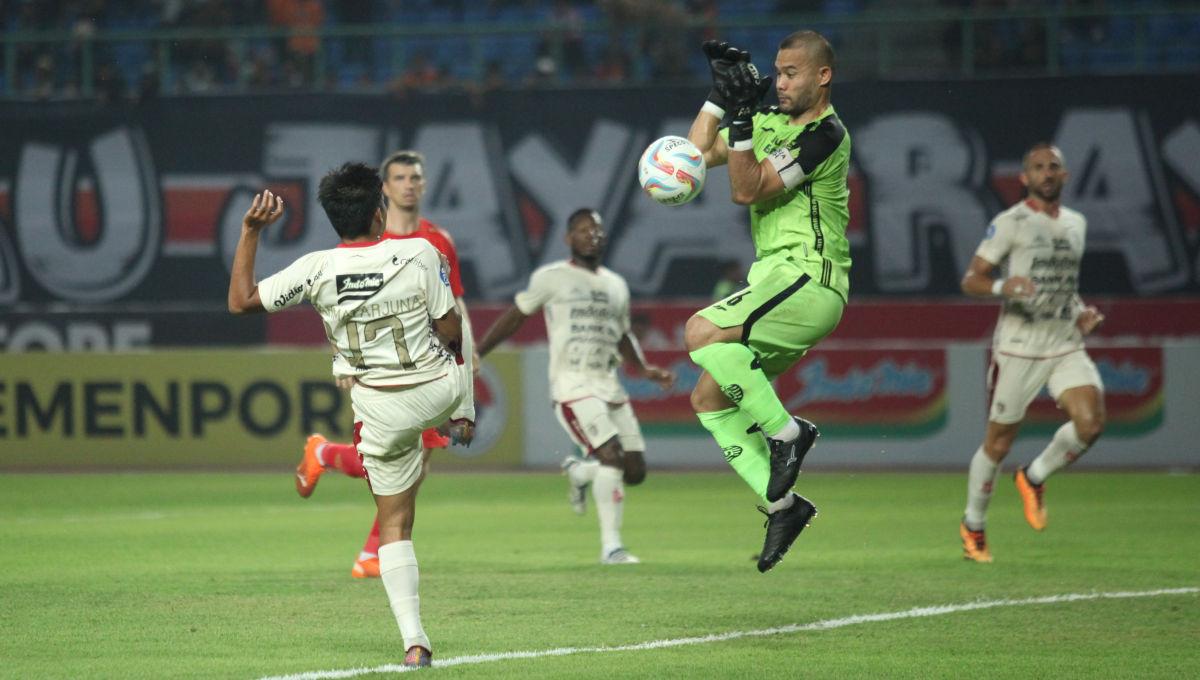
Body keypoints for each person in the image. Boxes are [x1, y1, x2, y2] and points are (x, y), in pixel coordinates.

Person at [228, 162, 473, 668]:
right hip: (437, 390)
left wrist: (251, 230)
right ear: (380, 212)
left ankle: (415, 643)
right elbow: (452, 329)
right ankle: (340, 442)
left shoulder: (315, 268)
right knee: (448, 338)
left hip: (380, 406)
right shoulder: (421, 251)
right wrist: (462, 406)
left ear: (333, 219)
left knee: (394, 526)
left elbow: (242, 301)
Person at [684, 31, 852, 573]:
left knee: (700, 332)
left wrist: (738, 126)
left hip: (810, 278)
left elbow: (747, 187)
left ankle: (789, 434)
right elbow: (693, 157)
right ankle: (784, 505)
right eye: (776, 73)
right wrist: (719, 100)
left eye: (791, 73)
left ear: (822, 76)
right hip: (775, 283)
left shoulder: (826, 133)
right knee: (709, 398)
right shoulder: (770, 123)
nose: (779, 83)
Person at [293, 150, 477, 579]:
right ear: (385, 190)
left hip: (430, 367)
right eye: (399, 177)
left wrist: (470, 354)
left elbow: (455, 300)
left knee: (414, 464)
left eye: (416, 176)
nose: (409, 184)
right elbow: (339, 305)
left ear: (424, 184)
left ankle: (372, 546)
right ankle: (370, 540)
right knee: (400, 461)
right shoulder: (365, 239)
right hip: (382, 370)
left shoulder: (437, 240)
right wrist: (343, 360)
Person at [476, 208, 676, 565]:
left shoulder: (616, 285)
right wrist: (478, 352)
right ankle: (611, 547)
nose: (591, 236)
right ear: (569, 239)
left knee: (635, 471)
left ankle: (580, 472)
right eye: (583, 230)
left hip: (609, 383)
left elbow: (623, 333)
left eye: (597, 230)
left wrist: (644, 369)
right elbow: (515, 316)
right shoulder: (552, 278)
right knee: (611, 456)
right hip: (573, 384)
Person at [958, 143, 1106, 563]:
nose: (1046, 173)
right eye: (1038, 167)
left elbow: (1064, 283)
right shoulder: (1011, 222)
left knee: (1091, 423)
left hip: (1063, 341)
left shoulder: (1077, 224)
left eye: (1053, 167)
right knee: (998, 444)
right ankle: (974, 526)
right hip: (1020, 347)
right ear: (1024, 178)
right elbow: (972, 279)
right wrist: (1006, 287)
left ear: (1066, 175)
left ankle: (1034, 475)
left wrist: (1080, 313)